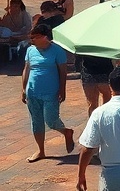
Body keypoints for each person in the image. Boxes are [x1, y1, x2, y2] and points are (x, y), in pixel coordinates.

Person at [22, 24, 75, 163]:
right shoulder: (30, 50)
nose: (32, 40)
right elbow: (26, 69)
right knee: (36, 121)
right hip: (32, 91)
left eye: (35, 37)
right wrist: (23, 89)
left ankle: (66, 132)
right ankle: (41, 150)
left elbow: (63, 72)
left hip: (51, 92)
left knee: (51, 120)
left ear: (45, 37)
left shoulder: (57, 51)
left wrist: (62, 89)